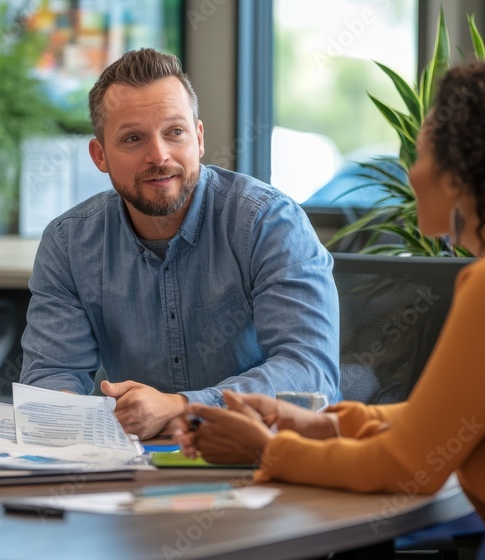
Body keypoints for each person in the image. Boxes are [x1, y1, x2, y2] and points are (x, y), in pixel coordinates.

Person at [178, 58, 485, 523]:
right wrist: (322, 427)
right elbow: (441, 420)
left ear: (461, 173)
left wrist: (268, 450)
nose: (412, 174)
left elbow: (409, 466)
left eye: (420, 157)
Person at [20, 48, 340, 439]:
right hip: (133, 474)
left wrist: (183, 407)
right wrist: (70, 419)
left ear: (199, 138)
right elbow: (52, 377)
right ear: (100, 155)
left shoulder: (267, 222)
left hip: (265, 462)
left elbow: (310, 373)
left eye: (175, 132)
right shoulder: (69, 243)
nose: (159, 156)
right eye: (133, 138)